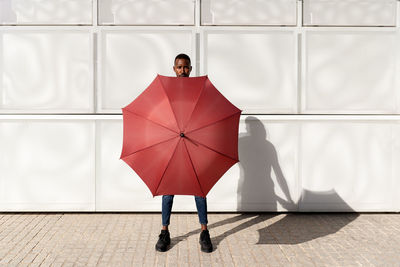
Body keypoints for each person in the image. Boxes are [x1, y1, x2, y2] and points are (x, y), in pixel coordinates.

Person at [155, 53, 213, 253]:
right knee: (168, 189)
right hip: (173, 140)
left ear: (191, 68)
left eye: (186, 67)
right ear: (174, 69)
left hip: (193, 141)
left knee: (199, 188)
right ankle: (165, 231)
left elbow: (205, 112)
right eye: (179, 67)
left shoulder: (199, 89)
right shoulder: (168, 90)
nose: (183, 71)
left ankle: (204, 231)